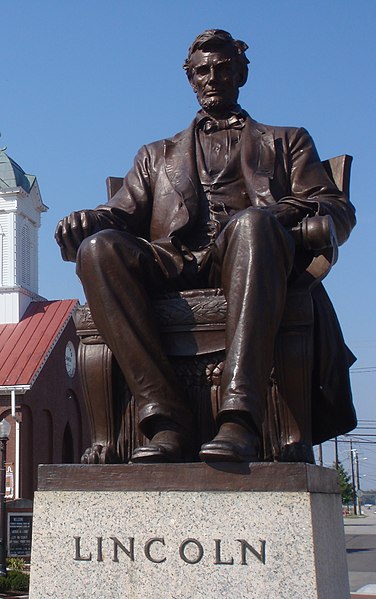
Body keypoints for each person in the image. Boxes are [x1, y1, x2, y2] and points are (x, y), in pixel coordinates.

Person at [55, 29, 356, 464]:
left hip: (251, 257)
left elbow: (333, 206)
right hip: (174, 262)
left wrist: (277, 216)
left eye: (222, 69)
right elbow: (120, 213)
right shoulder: (156, 154)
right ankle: (164, 417)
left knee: (252, 224)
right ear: (190, 78)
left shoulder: (287, 140)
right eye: (201, 71)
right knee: (98, 249)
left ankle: (240, 417)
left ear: (241, 74)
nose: (211, 78)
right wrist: (89, 221)